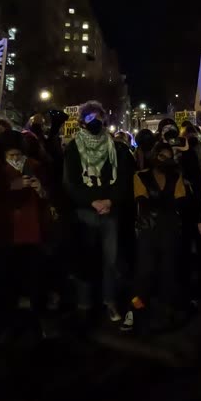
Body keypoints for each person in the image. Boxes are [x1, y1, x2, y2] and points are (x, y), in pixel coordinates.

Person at [64, 101, 131, 322]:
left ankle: (109, 301)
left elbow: (121, 179)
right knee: (86, 259)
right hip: (86, 213)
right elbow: (71, 182)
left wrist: (110, 200)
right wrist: (92, 201)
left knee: (110, 261)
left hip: (109, 213)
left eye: (99, 118)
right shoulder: (73, 148)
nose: (96, 123)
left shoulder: (115, 147)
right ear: (83, 122)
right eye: (91, 118)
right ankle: (85, 303)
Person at [0, 129, 51, 327]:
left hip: (33, 232)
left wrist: (40, 190)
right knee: (9, 283)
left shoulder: (35, 167)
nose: (16, 159)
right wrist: (11, 187)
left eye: (19, 155)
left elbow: (47, 197)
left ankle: (39, 320)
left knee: (37, 281)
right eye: (11, 156)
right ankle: (9, 322)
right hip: (8, 234)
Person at [130, 141, 189, 332]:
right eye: (161, 155)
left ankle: (168, 310)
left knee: (168, 272)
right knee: (145, 273)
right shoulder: (140, 176)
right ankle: (137, 310)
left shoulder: (176, 176)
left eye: (168, 156)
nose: (164, 159)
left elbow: (180, 201)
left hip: (169, 230)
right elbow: (142, 200)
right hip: (149, 231)